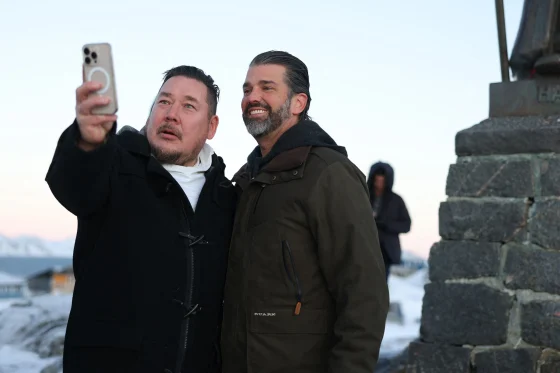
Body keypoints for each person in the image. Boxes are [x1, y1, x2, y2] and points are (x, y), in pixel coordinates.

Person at [45, 65, 236, 373]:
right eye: (164, 102)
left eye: (189, 106)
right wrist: (87, 142)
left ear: (211, 126)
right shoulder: (112, 164)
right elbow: (74, 187)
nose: (171, 114)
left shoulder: (227, 197)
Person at [221, 51, 389, 373]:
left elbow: (364, 295)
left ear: (299, 103)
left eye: (266, 88)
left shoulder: (329, 174)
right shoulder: (245, 179)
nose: (252, 97)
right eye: (246, 89)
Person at [367, 162, 411, 281]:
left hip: (385, 252)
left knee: (380, 285)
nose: (379, 184)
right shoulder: (363, 196)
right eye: (377, 180)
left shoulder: (396, 201)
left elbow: (406, 225)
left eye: (382, 181)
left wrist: (386, 224)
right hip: (364, 247)